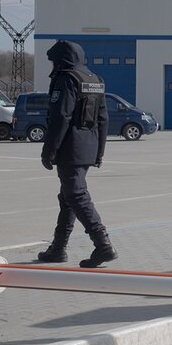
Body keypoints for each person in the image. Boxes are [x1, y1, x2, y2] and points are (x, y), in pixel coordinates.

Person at [35, 41, 115, 267]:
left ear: (61, 60)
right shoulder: (95, 80)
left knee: (76, 195)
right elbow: (103, 119)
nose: (52, 65)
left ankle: (102, 244)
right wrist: (99, 152)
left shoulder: (67, 79)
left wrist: (49, 150)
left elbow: (61, 116)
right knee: (68, 197)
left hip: (70, 147)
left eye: (53, 61)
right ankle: (58, 248)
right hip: (88, 147)